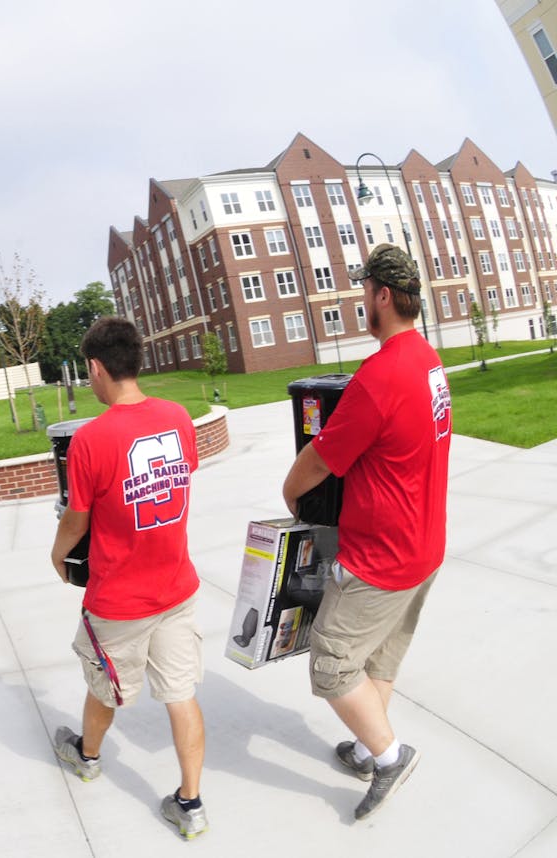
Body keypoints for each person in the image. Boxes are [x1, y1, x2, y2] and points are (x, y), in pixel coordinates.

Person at [281, 243, 451, 821]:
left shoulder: (379, 375)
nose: (360, 300)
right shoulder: (428, 361)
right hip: (424, 547)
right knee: (377, 657)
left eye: (363, 290)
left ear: (382, 294)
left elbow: (321, 459)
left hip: (382, 558)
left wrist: (291, 493)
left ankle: (389, 756)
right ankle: (363, 747)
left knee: (332, 666)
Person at [48, 316, 207, 840]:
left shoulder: (91, 440)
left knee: (105, 689)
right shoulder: (179, 417)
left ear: (96, 367)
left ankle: (87, 756)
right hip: (176, 589)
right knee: (181, 693)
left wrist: (58, 552)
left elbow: (77, 518)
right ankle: (190, 803)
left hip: (119, 601)